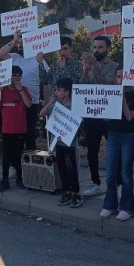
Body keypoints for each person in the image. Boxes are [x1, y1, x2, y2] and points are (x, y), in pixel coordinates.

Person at [100, 66, 134, 221]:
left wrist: (122, 95)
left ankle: (127, 207)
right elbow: (106, 117)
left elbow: (129, 116)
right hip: (113, 134)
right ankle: (110, 204)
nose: (120, 80)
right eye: (118, 77)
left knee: (125, 172)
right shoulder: (111, 92)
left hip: (128, 136)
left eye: (123, 77)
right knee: (110, 172)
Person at [80, 35, 119, 197]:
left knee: (114, 150)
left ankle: (117, 184)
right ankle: (95, 182)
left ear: (108, 48)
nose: (96, 50)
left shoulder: (115, 67)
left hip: (108, 117)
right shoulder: (88, 65)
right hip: (91, 115)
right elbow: (82, 87)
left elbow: (105, 84)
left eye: (100, 47)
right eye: (94, 47)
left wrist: (95, 67)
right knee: (91, 151)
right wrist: (85, 71)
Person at [0, 30, 48, 153]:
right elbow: (0, 54)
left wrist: (46, 103)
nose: (20, 44)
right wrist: (14, 40)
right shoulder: (13, 57)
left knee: (29, 134)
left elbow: (46, 81)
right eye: (19, 42)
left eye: (24, 42)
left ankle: (30, 166)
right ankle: (16, 165)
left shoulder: (38, 59)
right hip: (13, 103)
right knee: (14, 136)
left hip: (31, 103)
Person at [40, 77, 82, 208]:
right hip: (58, 144)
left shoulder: (74, 106)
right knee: (62, 169)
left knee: (72, 169)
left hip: (69, 144)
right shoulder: (56, 105)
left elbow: (76, 125)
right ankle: (67, 192)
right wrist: (50, 103)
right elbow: (42, 114)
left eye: (59, 90)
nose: (56, 92)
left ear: (67, 92)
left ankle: (76, 194)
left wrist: (65, 134)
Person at [0, 66, 31, 192]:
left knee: (18, 155)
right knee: (6, 155)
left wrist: (20, 90)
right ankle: (4, 180)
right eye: (14, 75)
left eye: (18, 76)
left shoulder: (24, 89)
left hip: (20, 128)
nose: (16, 78)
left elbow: (28, 104)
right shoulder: (3, 91)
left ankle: (20, 178)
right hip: (7, 129)